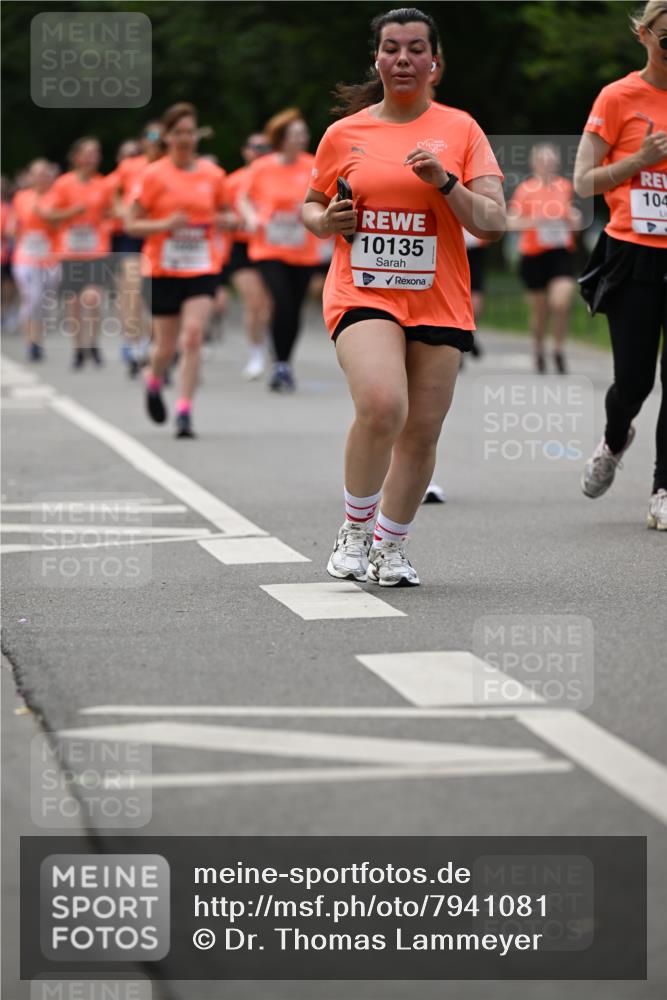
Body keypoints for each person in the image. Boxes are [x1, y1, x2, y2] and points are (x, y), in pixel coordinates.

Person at [303, 6, 505, 586]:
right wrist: (327, 222)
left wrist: (446, 182)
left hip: (438, 296)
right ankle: (354, 531)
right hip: (363, 289)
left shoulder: (461, 130)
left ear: (434, 62)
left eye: (416, 49)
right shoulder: (346, 133)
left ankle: (389, 547)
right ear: (377, 59)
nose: (403, 59)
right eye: (392, 48)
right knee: (383, 403)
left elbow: (493, 222)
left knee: (421, 431)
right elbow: (311, 205)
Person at [574, 0, 667, 530]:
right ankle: (613, 440)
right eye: (666, 37)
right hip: (633, 253)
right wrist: (637, 161)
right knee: (634, 381)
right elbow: (583, 181)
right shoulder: (618, 98)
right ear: (644, 35)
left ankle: (663, 487)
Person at [125, 102, 231, 438]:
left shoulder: (213, 175)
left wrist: (229, 220)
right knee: (165, 347)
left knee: (194, 336)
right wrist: (165, 224)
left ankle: (184, 411)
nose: (185, 138)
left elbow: (229, 213)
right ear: (167, 137)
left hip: (202, 266)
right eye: (179, 132)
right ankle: (154, 379)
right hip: (163, 269)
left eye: (190, 132)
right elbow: (131, 224)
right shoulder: (153, 175)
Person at [240, 108, 321, 391]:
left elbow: (325, 196)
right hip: (269, 248)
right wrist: (251, 217)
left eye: (304, 133)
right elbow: (243, 198)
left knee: (294, 308)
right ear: (282, 137)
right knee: (281, 302)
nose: (302, 138)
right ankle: (279, 363)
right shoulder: (262, 167)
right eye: (296, 133)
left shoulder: (313, 165)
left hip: (303, 249)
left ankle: (283, 362)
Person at [38, 137, 115, 369]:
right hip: (70, 252)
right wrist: (72, 211)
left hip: (96, 250)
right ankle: (78, 348)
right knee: (74, 303)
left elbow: (112, 211)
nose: (93, 158)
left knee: (93, 299)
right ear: (77, 157)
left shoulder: (103, 184)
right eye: (88, 153)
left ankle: (93, 342)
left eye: (96, 153)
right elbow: (49, 215)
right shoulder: (63, 184)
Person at [508, 143, 579, 374]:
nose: (548, 165)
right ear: (534, 164)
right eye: (544, 161)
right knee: (539, 311)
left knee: (561, 302)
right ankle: (539, 350)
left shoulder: (564, 186)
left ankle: (558, 349)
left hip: (559, 252)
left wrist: (573, 219)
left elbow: (573, 216)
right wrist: (535, 221)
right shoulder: (525, 190)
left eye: (552, 161)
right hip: (533, 255)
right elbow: (511, 222)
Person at [108, 123, 164, 376]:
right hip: (132, 235)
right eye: (151, 135)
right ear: (143, 140)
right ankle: (134, 344)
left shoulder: (171, 166)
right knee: (130, 288)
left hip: (160, 234)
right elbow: (114, 193)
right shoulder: (130, 166)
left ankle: (159, 343)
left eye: (161, 135)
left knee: (155, 295)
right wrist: (122, 211)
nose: (156, 139)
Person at [219, 133, 273, 379]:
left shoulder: (275, 177)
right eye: (256, 146)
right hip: (241, 247)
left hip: (269, 246)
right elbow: (218, 214)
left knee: (268, 305)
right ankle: (256, 354)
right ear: (246, 151)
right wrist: (237, 220)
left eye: (266, 147)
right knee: (254, 302)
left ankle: (267, 340)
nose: (261, 151)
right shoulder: (232, 181)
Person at [10, 159, 60, 360]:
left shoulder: (57, 197)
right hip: (25, 255)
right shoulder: (22, 197)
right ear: (30, 177)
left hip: (50, 256)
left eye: (45, 174)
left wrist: (48, 217)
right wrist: (12, 230)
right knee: (32, 297)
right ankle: (31, 341)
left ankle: (38, 336)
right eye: (37, 174)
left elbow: (61, 225)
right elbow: (13, 224)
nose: (41, 178)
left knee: (45, 300)